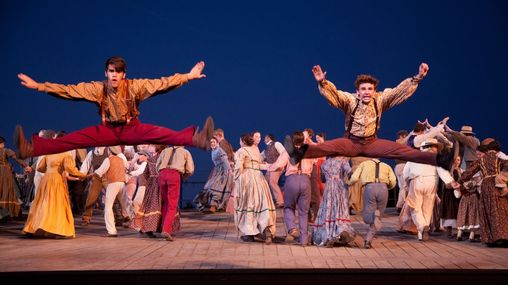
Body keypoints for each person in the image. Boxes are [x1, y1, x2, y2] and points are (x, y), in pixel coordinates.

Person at [15, 56, 214, 159]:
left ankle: (197, 139)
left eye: (118, 72)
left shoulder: (134, 86)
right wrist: (39, 86)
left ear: (124, 74)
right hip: (107, 130)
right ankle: (31, 149)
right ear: (106, 72)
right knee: (73, 139)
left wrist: (188, 76)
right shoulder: (97, 88)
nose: (114, 75)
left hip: (131, 128)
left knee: (159, 132)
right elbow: (69, 90)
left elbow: (162, 83)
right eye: (111, 72)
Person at [288, 63, 449, 168]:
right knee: (330, 146)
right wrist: (323, 82)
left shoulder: (380, 100)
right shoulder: (350, 100)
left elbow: (398, 92)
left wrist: (417, 78)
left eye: (370, 89)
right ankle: (299, 153)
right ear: (357, 92)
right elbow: (335, 96)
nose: (367, 92)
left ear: (374, 91)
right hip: (351, 142)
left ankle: (439, 160)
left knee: (401, 150)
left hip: (372, 143)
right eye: (363, 89)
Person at [23, 133, 86, 238]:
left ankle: (37, 226)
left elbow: (40, 168)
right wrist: (82, 175)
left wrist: (49, 170)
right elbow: (71, 169)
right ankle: (55, 228)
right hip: (57, 180)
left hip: (46, 180)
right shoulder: (66, 154)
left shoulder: (49, 152)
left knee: (44, 203)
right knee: (57, 203)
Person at [234, 133, 276, 244]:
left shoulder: (241, 151)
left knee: (249, 204)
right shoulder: (256, 151)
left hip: (247, 178)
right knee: (262, 203)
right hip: (259, 178)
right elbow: (260, 165)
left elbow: (238, 167)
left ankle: (250, 233)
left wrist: (236, 178)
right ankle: (267, 229)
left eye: (240, 141)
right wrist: (270, 167)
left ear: (243, 141)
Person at [348, 158, 396, 249]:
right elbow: (393, 181)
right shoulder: (387, 166)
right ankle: (369, 238)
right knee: (377, 217)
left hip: (369, 188)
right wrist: (387, 187)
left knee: (369, 215)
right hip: (383, 188)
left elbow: (354, 178)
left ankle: (368, 238)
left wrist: (348, 184)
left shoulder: (364, 164)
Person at [312, 156, 355, 247]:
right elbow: (350, 172)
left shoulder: (324, 164)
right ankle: (339, 231)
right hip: (340, 187)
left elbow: (323, 179)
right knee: (340, 209)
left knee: (328, 208)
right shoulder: (343, 161)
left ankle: (328, 234)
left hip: (328, 188)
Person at [156, 145, 194, 241]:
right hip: (174, 174)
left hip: (162, 174)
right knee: (172, 205)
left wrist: (161, 173)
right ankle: (166, 230)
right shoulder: (185, 152)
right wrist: (183, 177)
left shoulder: (165, 150)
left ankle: (163, 228)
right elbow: (190, 169)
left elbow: (157, 165)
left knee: (166, 203)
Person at [194, 137, 231, 213]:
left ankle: (214, 207)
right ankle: (209, 205)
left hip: (223, 171)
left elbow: (226, 162)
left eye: (214, 142)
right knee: (209, 187)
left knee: (217, 188)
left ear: (217, 143)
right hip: (217, 170)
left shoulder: (220, 151)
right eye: (211, 142)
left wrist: (229, 171)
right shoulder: (213, 151)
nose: (212, 144)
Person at [0, 136, 31, 220]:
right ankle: (8, 212)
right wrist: (26, 165)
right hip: (5, 173)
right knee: (8, 190)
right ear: (2, 143)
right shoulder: (5, 150)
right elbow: (16, 158)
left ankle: (2, 213)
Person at [262, 134, 285, 208]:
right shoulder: (266, 149)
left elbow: (284, 153)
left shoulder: (277, 144)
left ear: (269, 138)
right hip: (270, 168)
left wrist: (280, 164)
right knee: (264, 182)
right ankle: (270, 200)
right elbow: (260, 157)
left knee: (272, 182)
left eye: (265, 138)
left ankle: (280, 201)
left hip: (277, 166)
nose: (263, 140)